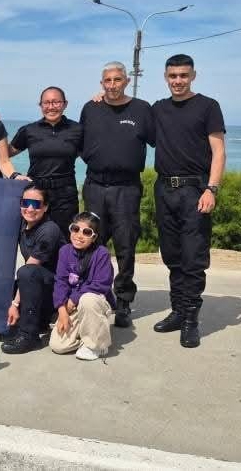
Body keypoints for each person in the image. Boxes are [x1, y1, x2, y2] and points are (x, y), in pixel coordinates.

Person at [151, 54, 226, 348]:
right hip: (164, 189)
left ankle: (192, 321)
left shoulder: (208, 106)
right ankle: (178, 311)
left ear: (193, 75)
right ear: (165, 77)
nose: (178, 81)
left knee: (193, 257)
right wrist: (101, 98)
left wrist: (212, 189)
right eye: (173, 76)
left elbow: (218, 152)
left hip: (195, 189)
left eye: (183, 75)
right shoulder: (158, 109)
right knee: (171, 255)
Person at [79, 61, 154, 329]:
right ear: (102, 84)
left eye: (117, 80)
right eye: (107, 81)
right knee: (90, 244)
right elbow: (76, 141)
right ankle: (91, 296)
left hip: (127, 188)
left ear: (126, 80)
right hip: (95, 185)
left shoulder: (142, 109)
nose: (112, 85)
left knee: (125, 246)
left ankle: (123, 303)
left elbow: (163, 140)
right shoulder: (91, 108)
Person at [9, 86, 83, 238]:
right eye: (46, 103)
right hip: (36, 193)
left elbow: (92, 154)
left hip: (65, 195)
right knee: (33, 238)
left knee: (64, 241)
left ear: (65, 104)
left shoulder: (78, 130)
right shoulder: (29, 130)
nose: (51, 106)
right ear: (41, 105)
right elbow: (5, 154)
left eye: (56, 102)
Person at [2, 185, 65, 354]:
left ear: (45, 207)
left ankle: (29, 336)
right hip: (39, 284)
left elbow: (30, 267)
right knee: (3, 285)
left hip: (58, 292)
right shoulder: (23, 223)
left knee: (26, 272)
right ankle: (22, 322)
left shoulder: (48, 230)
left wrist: (15, 304)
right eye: (26, 202)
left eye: (36, 204)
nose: (30, 208)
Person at [50, 212, 113, 361]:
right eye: (75, 229)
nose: (79, 235)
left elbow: (100, 284)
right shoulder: (64, 251)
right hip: (71, 306)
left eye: (87, 232)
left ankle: (97, 345)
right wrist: (62, 310)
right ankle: (91, 334)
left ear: (94, 237)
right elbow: (60, 281)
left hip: (94, 301)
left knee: (87, 299)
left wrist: (73, 300)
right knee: (58, 346)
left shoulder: (102, 254)